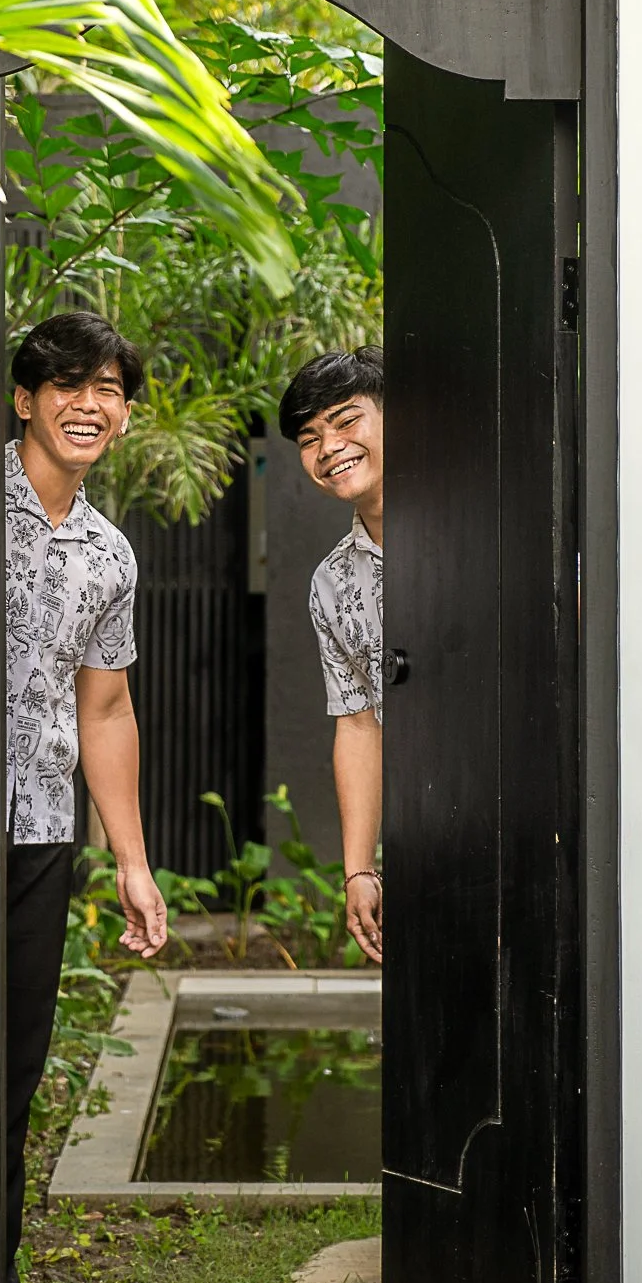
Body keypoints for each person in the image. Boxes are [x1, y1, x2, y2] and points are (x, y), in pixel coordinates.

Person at [0, 311, 167, 1283]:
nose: (88, 402)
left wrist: (133, 865)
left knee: (12, 1054)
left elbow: (104, 709)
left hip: (41, 825)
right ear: (26, 399)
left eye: (107, 387)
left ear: (126, 413)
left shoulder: (111, 555)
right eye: (67, 383)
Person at [278, 345, 384, 966]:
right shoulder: (333, 583)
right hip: (427, 826)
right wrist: (358, 870)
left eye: (347, 421)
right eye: (311, 437)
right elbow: (358, 723)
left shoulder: (487, 532)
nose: (330, 448)